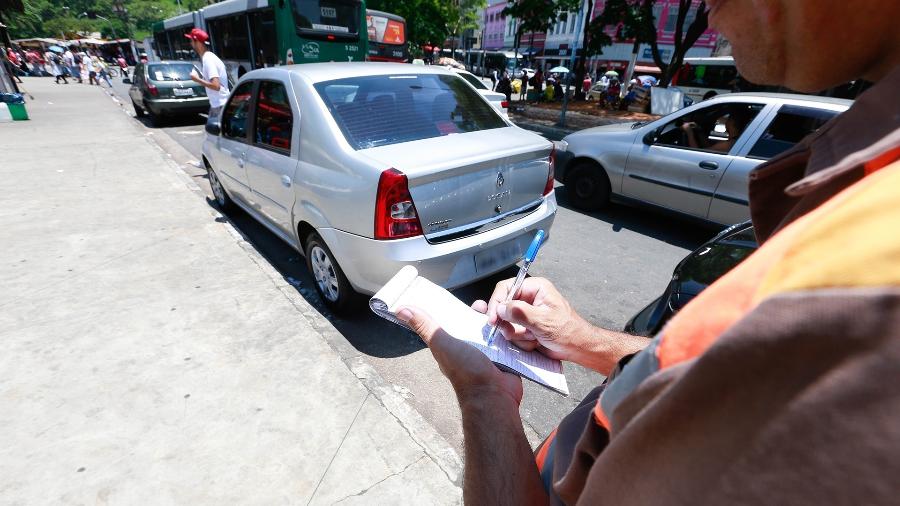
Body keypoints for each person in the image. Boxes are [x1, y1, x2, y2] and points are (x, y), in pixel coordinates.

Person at [396, 0, 900, 503]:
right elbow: (699, 377)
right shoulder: (865, 190)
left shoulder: (866, 279)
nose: (705, 10)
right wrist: (581, 339)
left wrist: (485, 396)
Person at [185, 28, 230, 127]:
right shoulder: (209, 57)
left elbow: (216, 86)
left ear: (198, 43)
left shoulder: (208, 60)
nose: (190, 43)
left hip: (219, 105)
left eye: (191, 41)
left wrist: (197, 79)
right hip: (219, 104)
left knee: (214, 138)